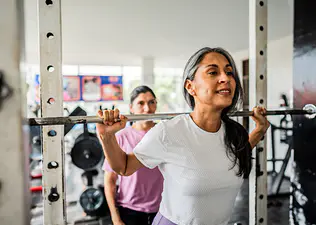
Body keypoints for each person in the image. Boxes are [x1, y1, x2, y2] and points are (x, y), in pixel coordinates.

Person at [96, 47, 270, 225]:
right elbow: (123, 167)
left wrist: (259, 130)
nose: (225, 78)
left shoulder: (235, 134)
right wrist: (107, 137)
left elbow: (232, 157)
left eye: (229, 72)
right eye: (213, 72)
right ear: (190, 86)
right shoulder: (168, 131)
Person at [102, 85, 164, 225]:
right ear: (131, 107)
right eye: (141, 103)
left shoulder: (164, 134)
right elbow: (110, 180)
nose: (147, 109)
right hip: (129, 211)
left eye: (151, 102)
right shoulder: (121, 137)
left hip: (163, 210)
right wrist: (115, 217)